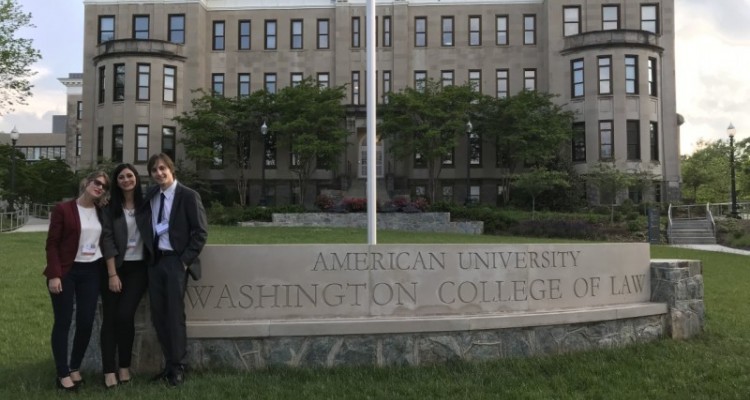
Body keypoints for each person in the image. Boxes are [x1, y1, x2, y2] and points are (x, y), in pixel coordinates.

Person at [142, 153, 207, 386]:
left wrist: (184, 262)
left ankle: (178, 367)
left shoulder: (188, 196)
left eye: (162, 169)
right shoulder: (151, 196)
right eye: (154, 170)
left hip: (176, 263)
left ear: (171, 169)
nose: (159, 173)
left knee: (174, 315)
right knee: (159, 316)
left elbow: (200, 232)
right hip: (155, 262)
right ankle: (169, 364)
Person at [44, 171, 111, 391]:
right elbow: (52, 243)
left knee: (86, 322)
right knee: (63, 322)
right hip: (66, 271)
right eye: (97, 182)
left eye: (104, 186)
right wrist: (54, 274)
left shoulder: (101, 211)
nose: (100, 187)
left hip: (91, 272)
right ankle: (62, 373)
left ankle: (74, 367)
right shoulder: (64, 209)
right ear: (87, 183)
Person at [99, 164, 148, 388]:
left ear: (136, 178)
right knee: (109, 319)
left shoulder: (147, 204)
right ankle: (109, 370)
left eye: (130, 175)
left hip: (138, 269)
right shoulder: (109, 207)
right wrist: (112, 274)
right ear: (116, 181)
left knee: (124, 316)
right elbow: (106, 239)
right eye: (121, 177)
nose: (126, 179)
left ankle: (124, 367)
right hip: (114, 268)